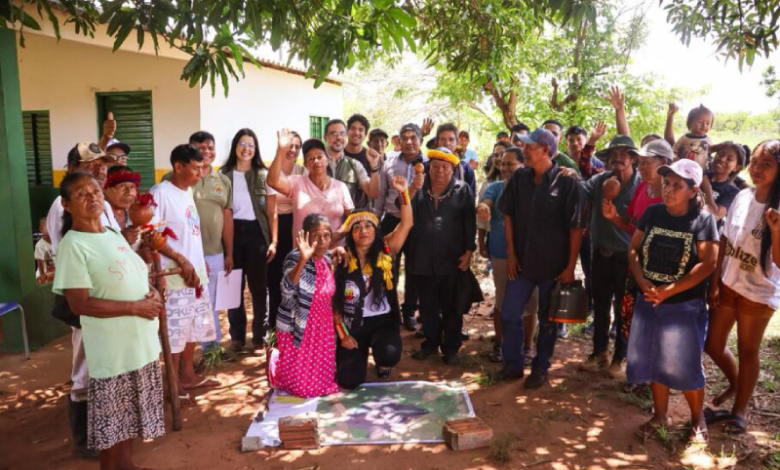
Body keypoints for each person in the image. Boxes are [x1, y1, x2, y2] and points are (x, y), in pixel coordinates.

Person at [53, 172, 165, 470]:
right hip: (113, 351)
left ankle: (126, 466)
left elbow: (134, 271)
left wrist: (150, 291)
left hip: (139, 345)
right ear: (66, 204)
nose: (92, 198)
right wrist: (135, 307)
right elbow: (80, 303)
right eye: (81, 194)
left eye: (95, 191)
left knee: (128, 418)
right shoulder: (73, 245)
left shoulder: (113, 234)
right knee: (112, 425)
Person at [626, 159, 718, 444]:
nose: (668, 189)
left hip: (684, 305)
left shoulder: (703, 220)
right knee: (654, 359)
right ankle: (659, 415)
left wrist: (669, 291)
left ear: (693, 190)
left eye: (677, 185)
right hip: (649, 300)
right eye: (666, 183)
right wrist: (643, 281)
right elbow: (633, 249)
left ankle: (697, 419)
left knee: (684, 363)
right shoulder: (653, 213)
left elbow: (708, 263)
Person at [45, 142, 119, 459]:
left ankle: (105, 430)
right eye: (91, 165)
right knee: (86, 365)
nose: (100, 169)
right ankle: (83, 439)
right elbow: (68, 253)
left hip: (109, 297)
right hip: (86, 297)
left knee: (105, 363)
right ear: (73, 168)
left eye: (103, 164)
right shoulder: (64, 206)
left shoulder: (102, 202)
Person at [498, 129, 586, 387]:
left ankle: (540, 367)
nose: (524, 151)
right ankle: (513, 364)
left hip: (554, 267)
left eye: (529, 147)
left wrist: (570, 267)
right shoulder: (519, 178)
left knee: (548, 321)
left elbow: (576, 228)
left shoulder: (567, 183)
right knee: (510, 313)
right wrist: (511, 254)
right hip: (522, 264)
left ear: (546, 150)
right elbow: (508, 214)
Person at [705, 140, 780, 435]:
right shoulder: (742, 196)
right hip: (728, 284)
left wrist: (776, 231)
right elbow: (725, 238)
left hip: (758, 293)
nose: (757, 169)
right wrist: (715, 281)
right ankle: (737, 384)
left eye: (766, 164)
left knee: (748, 350)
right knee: (713, 344)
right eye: (755, 162)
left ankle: (740, 410)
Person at [150, 144, 218, 395]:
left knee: (193, 327)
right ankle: (172, 384)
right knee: (175, 332)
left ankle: (188, 375)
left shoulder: (187, 191)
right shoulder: (160, 193)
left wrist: (199, 259)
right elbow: (152, 235)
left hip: (195, 273)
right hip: (174, 275)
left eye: (202, 168)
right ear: (178, 167)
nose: (200, 173)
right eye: (196, 168)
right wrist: (180, 259)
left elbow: (189, 232)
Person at [334, 178, 413, 388]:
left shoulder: (387, 249)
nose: (364, 231)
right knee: (349, 381)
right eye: (357, 227)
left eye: (369, 225)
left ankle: (382, 361)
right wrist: (343, 334)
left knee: (389, 354)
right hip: (352, 324)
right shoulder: (341, 258)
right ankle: (356, 356)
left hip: (382, 321)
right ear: (350, 234)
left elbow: (406, 223)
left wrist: (404, 192)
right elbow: (333, 302)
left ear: (376, 231)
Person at [576, 135, 641, 378]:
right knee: (601, 305)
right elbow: (581, 190)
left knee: (624, 308)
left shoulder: (641, 186)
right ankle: (599, 353)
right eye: (613, 155)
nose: (618, 158)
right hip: (600, 252)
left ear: (633, 158)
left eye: (623, 154)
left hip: (627, 257)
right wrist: (571, 177)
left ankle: (620, 357)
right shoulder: (600, 180)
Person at [603, 140, 671, 363]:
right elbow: (631, 226)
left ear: (663, 163)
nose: (640, 168)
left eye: (646, 163)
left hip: (661, 271)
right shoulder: (642, 188)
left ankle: (653, 372)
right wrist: (613, 217)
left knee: (657, 323)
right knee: (633, 318)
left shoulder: (672, 197)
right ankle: (633, 366)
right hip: (636, 265)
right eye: (639, 163)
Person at [408, 147, 477, 365]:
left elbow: (470, 222)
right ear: (428, 169)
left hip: (452, 258)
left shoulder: (463, 189)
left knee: (452, 306)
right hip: (422, 257)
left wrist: (469, 251)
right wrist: (412, 188)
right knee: (427, 305)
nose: (439, 171)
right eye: (435, 167)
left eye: (445, 167)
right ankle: (430, 344)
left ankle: (451, 348)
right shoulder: (419, 188)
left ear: (453, 169)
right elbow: (402, 207)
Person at [477, 148, 536, 363]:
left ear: (523, 165)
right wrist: (483, 207)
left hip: (529, 256)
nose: (505, 168)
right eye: (502, 164)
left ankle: (527, 347)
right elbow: (486, 203)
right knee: (501, 299)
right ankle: (499, 345)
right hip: (500, 252)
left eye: (510, 164)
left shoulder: (534, 188)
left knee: (530, 302)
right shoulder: (495, 187)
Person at [219, 128, 275, 352]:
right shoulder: (223, 175)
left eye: (251, 145)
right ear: (235, 147)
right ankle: (237, 337)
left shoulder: (263, 174)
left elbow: (271, 212)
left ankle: (260, 337)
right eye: (242, 144)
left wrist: (274, 241)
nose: (246, 149)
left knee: (259, 288)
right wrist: (227, 249)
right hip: (231, 233)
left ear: (256, 149)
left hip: (257, 234)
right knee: (233, 286)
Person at [272, 214, 339, 397]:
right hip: (298, 323)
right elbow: (287, 288)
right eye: (316, 235)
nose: (322, 241)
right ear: (306, 236)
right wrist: (303, 259)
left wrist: (340, 250)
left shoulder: (326, 259)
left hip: (322, 324)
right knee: (302, 388)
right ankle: (274, 361)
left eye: (326, 235)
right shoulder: (295, 258)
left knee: (323, 383)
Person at [374, 123, 427, 332]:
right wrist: (376, 220)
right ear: (399, 141)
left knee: (414, 269)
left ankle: (409, 312)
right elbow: (381, 195)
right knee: (388, 268)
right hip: (392, 221)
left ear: (420, 140)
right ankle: (391, 312)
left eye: (414, 138)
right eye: (405, 138)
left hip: (418, 224)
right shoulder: (389, 163)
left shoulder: (429, 164)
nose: (409, 142)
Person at [267, 130, 354, 247]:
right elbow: (272, 182)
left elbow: (351, 217)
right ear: (305, 164)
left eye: (319, 157)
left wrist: (336, 236)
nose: (316, 161)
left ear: (327, 159)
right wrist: (281, 150)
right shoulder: (296, 183)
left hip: (335, 252)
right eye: (311, 159)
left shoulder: (340, 187)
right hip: (304, 253)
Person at [190, 131, 234, 350]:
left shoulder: (223, 181)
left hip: (215, 252)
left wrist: (229, 253)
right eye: (200, 148)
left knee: (212, 302)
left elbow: (227, 219)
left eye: (210, 147)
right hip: (186, 254)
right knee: (189, 302)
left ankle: (211, 350)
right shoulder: (176, 179)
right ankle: (186, 354)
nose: (206, 152)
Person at [267, 131, 306, 333]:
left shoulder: (303, 170)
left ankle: (296, 325)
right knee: (276, 277)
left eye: (297, 146)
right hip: (278, 225)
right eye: (289, 145)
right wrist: (274, 240)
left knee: (296, 273)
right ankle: (274, 327)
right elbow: (271, 210)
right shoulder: (273, 170)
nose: (293, 150)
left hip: (298, 224)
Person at [323, 119, 381, 210]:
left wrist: (374, 166)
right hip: (322, 217)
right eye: (334, 133)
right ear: (325, 137)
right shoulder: (315, 163)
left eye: (342, 134)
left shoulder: (355, 165)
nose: (339, 137)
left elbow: (373, 193)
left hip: (349, 217)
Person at [701, 141, 743, 225]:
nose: (722, 159)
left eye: (729, 159)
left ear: (737, 167)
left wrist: (706, 187)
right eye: (720, 154)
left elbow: (715, 216)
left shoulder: (732, 192)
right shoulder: (700, 174)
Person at [665, 103, 714, 170]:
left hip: (702, 170)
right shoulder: (685, 138)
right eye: (700, 122)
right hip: (684, 169)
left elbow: (710, 153)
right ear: (690, 123)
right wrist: (674, 156)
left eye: (708, 123)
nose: (704, 126)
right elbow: (674, 149)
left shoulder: (708, 139)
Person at [436, 123, 477, 197]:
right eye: (442, 139)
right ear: (437, 142)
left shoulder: (467, 169)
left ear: (457, 143)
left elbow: (471, 198)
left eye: (451, 139)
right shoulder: (428, 167)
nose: (447, 143)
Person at [34, 217, 55, 284]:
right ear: (41, 229)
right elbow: (40, 261)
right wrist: (42, 273)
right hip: (45, 272)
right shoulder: (40, 245)